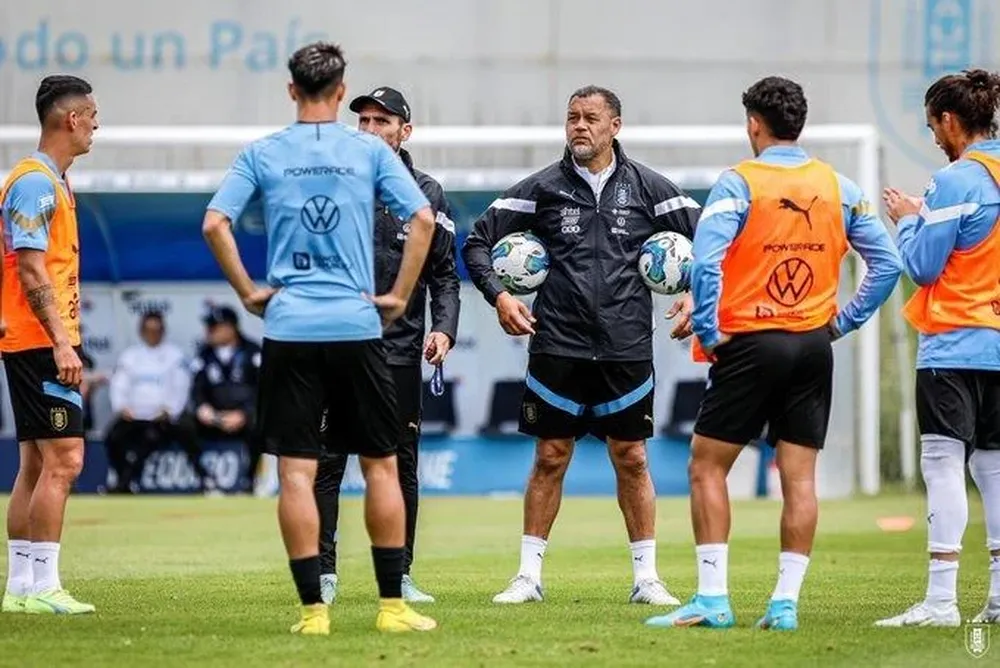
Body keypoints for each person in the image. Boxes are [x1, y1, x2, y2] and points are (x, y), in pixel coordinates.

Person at [645, 76, 903, 631]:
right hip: (813, 345)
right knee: (800, 480)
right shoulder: (840, 186)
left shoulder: (739, 183)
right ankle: (784, 604)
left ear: (754, 125)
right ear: (799, 125)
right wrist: (841, 323)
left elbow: (706, 263)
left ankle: (713, 600)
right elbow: (887, 265)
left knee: (706, 467)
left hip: (751, 343)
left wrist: (710, 331)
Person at [202, 42, 438, 635]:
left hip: (289, 327)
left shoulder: (263, 152)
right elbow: (424, 220)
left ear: (291, 91)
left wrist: (249, 294)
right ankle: (392, 607)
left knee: (297, 474)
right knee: (382, 465)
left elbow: (214, 222)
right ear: (339, 93)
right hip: (357, 326)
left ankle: (314, 612)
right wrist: (400, 298)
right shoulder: (367, 151)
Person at [462, 85, 700, 606]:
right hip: (557, 346)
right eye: (572, 117)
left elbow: (713, 244)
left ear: (615, 125)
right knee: (550, 456)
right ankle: (527, 576)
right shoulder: (543, 188)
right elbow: (477, 242)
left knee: (632, 457)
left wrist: (696, 298)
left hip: (627, 348)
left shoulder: (652, 189)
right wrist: (500, 296)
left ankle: (647, 579)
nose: (579, 126)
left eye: (591, 118)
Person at [314, 86, 460, 605]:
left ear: (405, 131)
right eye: (365, 121)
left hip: (399, 353)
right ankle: (324, 576)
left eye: (383, 121)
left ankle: (398, 576)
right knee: (328, 462)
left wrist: (443, 328)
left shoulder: (427, 193)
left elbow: (445, 274)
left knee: (401, 465)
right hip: (336, 346)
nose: (372, 130)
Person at [876, 69, 1000, 628]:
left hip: (954, 344)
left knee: (944, 463)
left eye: (932, 126)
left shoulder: (955, 180)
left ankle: (942, 601)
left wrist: (906, 221)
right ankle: (997, 599)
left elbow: (923, 266)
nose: (933, 138)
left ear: (950, 121)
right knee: (996, 468)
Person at [1, 74, 100, 615]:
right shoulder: (36, 183)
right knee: (66, 461)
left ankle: (20, 587)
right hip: (41, 343)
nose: (96, 125)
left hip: (31, 339)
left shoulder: (50, 180)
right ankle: (44, 587)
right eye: (92, 115)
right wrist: (63, 342)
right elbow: (32, 267)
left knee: (36, 466)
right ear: (71, 119)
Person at [104, 310, 202, 493]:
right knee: (112, 437)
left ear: (163, 331)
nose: (152, 334)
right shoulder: (130, 356)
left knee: (160, 436)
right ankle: (121, 479)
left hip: (162, 417)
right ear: (141, 331)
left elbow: (181, 386)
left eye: (156, 330)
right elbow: (119, 384)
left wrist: (170, 410)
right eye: (148, 330)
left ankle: (204, 480)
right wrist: (122, 407)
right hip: (133, 415)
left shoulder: (175, 356)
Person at [186, 305, 261, 493]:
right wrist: (204, 409)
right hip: (214, 417)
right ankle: (205, 480)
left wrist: (244, 414)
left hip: (244, 417)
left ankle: (249, 481)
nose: (209, 332)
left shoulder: (253, 352)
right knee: (183, 424)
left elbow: (264, 390)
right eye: (208, 327)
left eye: (214, 327)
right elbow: (196, 389)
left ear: (230, 328)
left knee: (262, 423)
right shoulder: (204, 355)